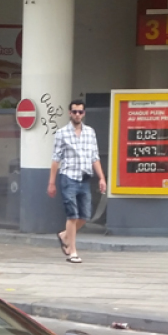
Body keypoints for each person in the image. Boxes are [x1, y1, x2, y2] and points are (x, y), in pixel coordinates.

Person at [47, 99, 106, 264]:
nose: (77, 114)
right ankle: (72, 251)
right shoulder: (62, 133)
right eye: (74, 111)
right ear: (69, 113)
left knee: (85, 216)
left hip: (84, 178)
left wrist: (101, 177)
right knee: (72, 215)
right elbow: (55, 159)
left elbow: (95, 157)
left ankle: (64, 235)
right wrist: (51, 183)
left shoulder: (90, 132)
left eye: (80, 112)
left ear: (84, 113)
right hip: (68, 177)